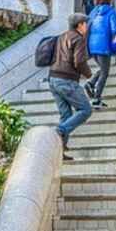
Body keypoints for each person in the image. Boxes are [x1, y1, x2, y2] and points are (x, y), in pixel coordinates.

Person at [45, 14, 94, 149]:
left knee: (66, 115)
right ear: (80, 25)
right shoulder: (78, 38)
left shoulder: (62, 37)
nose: (87, 26)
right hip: (66, 80)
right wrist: (88, 74)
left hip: (53, 79)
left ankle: (59, 149)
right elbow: (79, 61)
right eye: (85, 23)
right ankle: (59, 131)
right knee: (85, 109)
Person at [84, 0, 116, 108]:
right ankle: (96, 98)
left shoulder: (93, 12)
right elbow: (115, 29)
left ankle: (90, 84)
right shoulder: (111, 11)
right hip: (104, 46)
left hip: (92, 46)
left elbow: (87, 27)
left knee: (102, 69)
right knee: (105, 72)